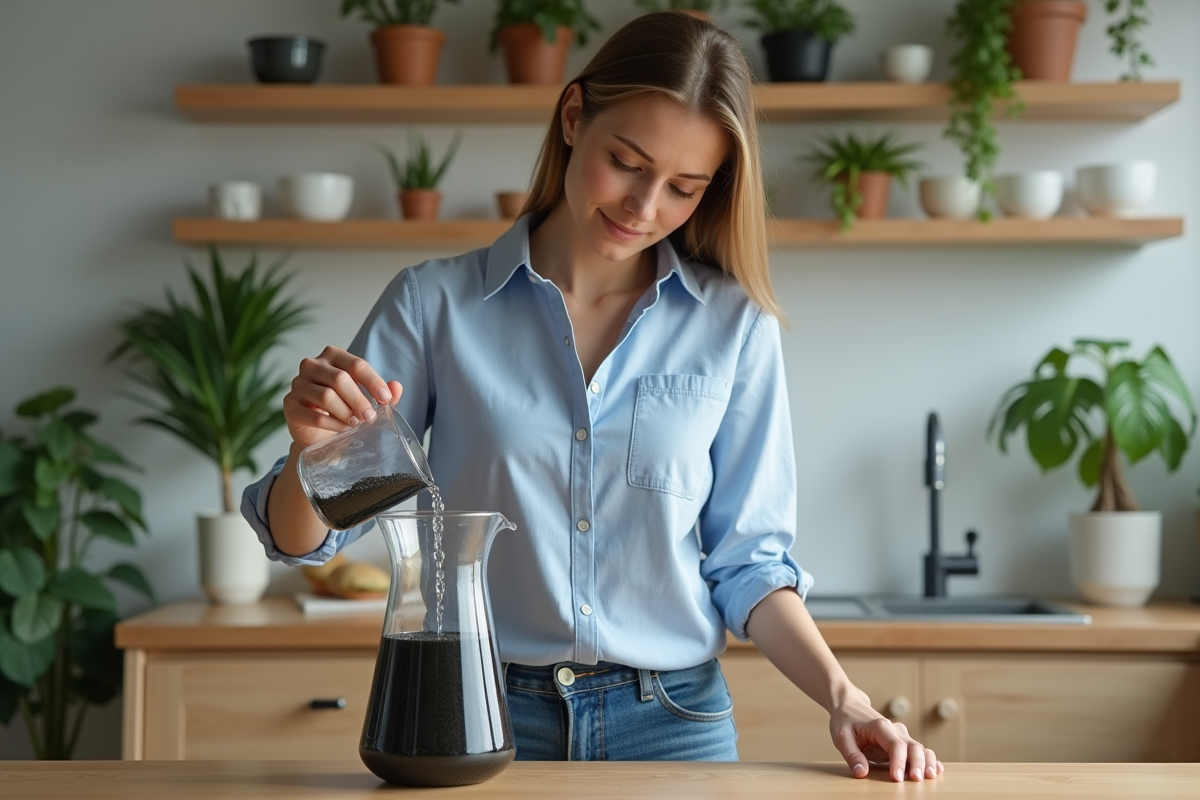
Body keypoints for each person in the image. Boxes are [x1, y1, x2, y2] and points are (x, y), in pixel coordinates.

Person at [242, 11, 943, 781]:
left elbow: (750, 565)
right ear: (574, 117)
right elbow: (308, 538)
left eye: (683, 187)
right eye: (627, 161)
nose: (645, 207)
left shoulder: (735, 327)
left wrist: (846, 698)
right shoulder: (433, 306)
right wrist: (311, 455)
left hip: (676, 724)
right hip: (481, 712)